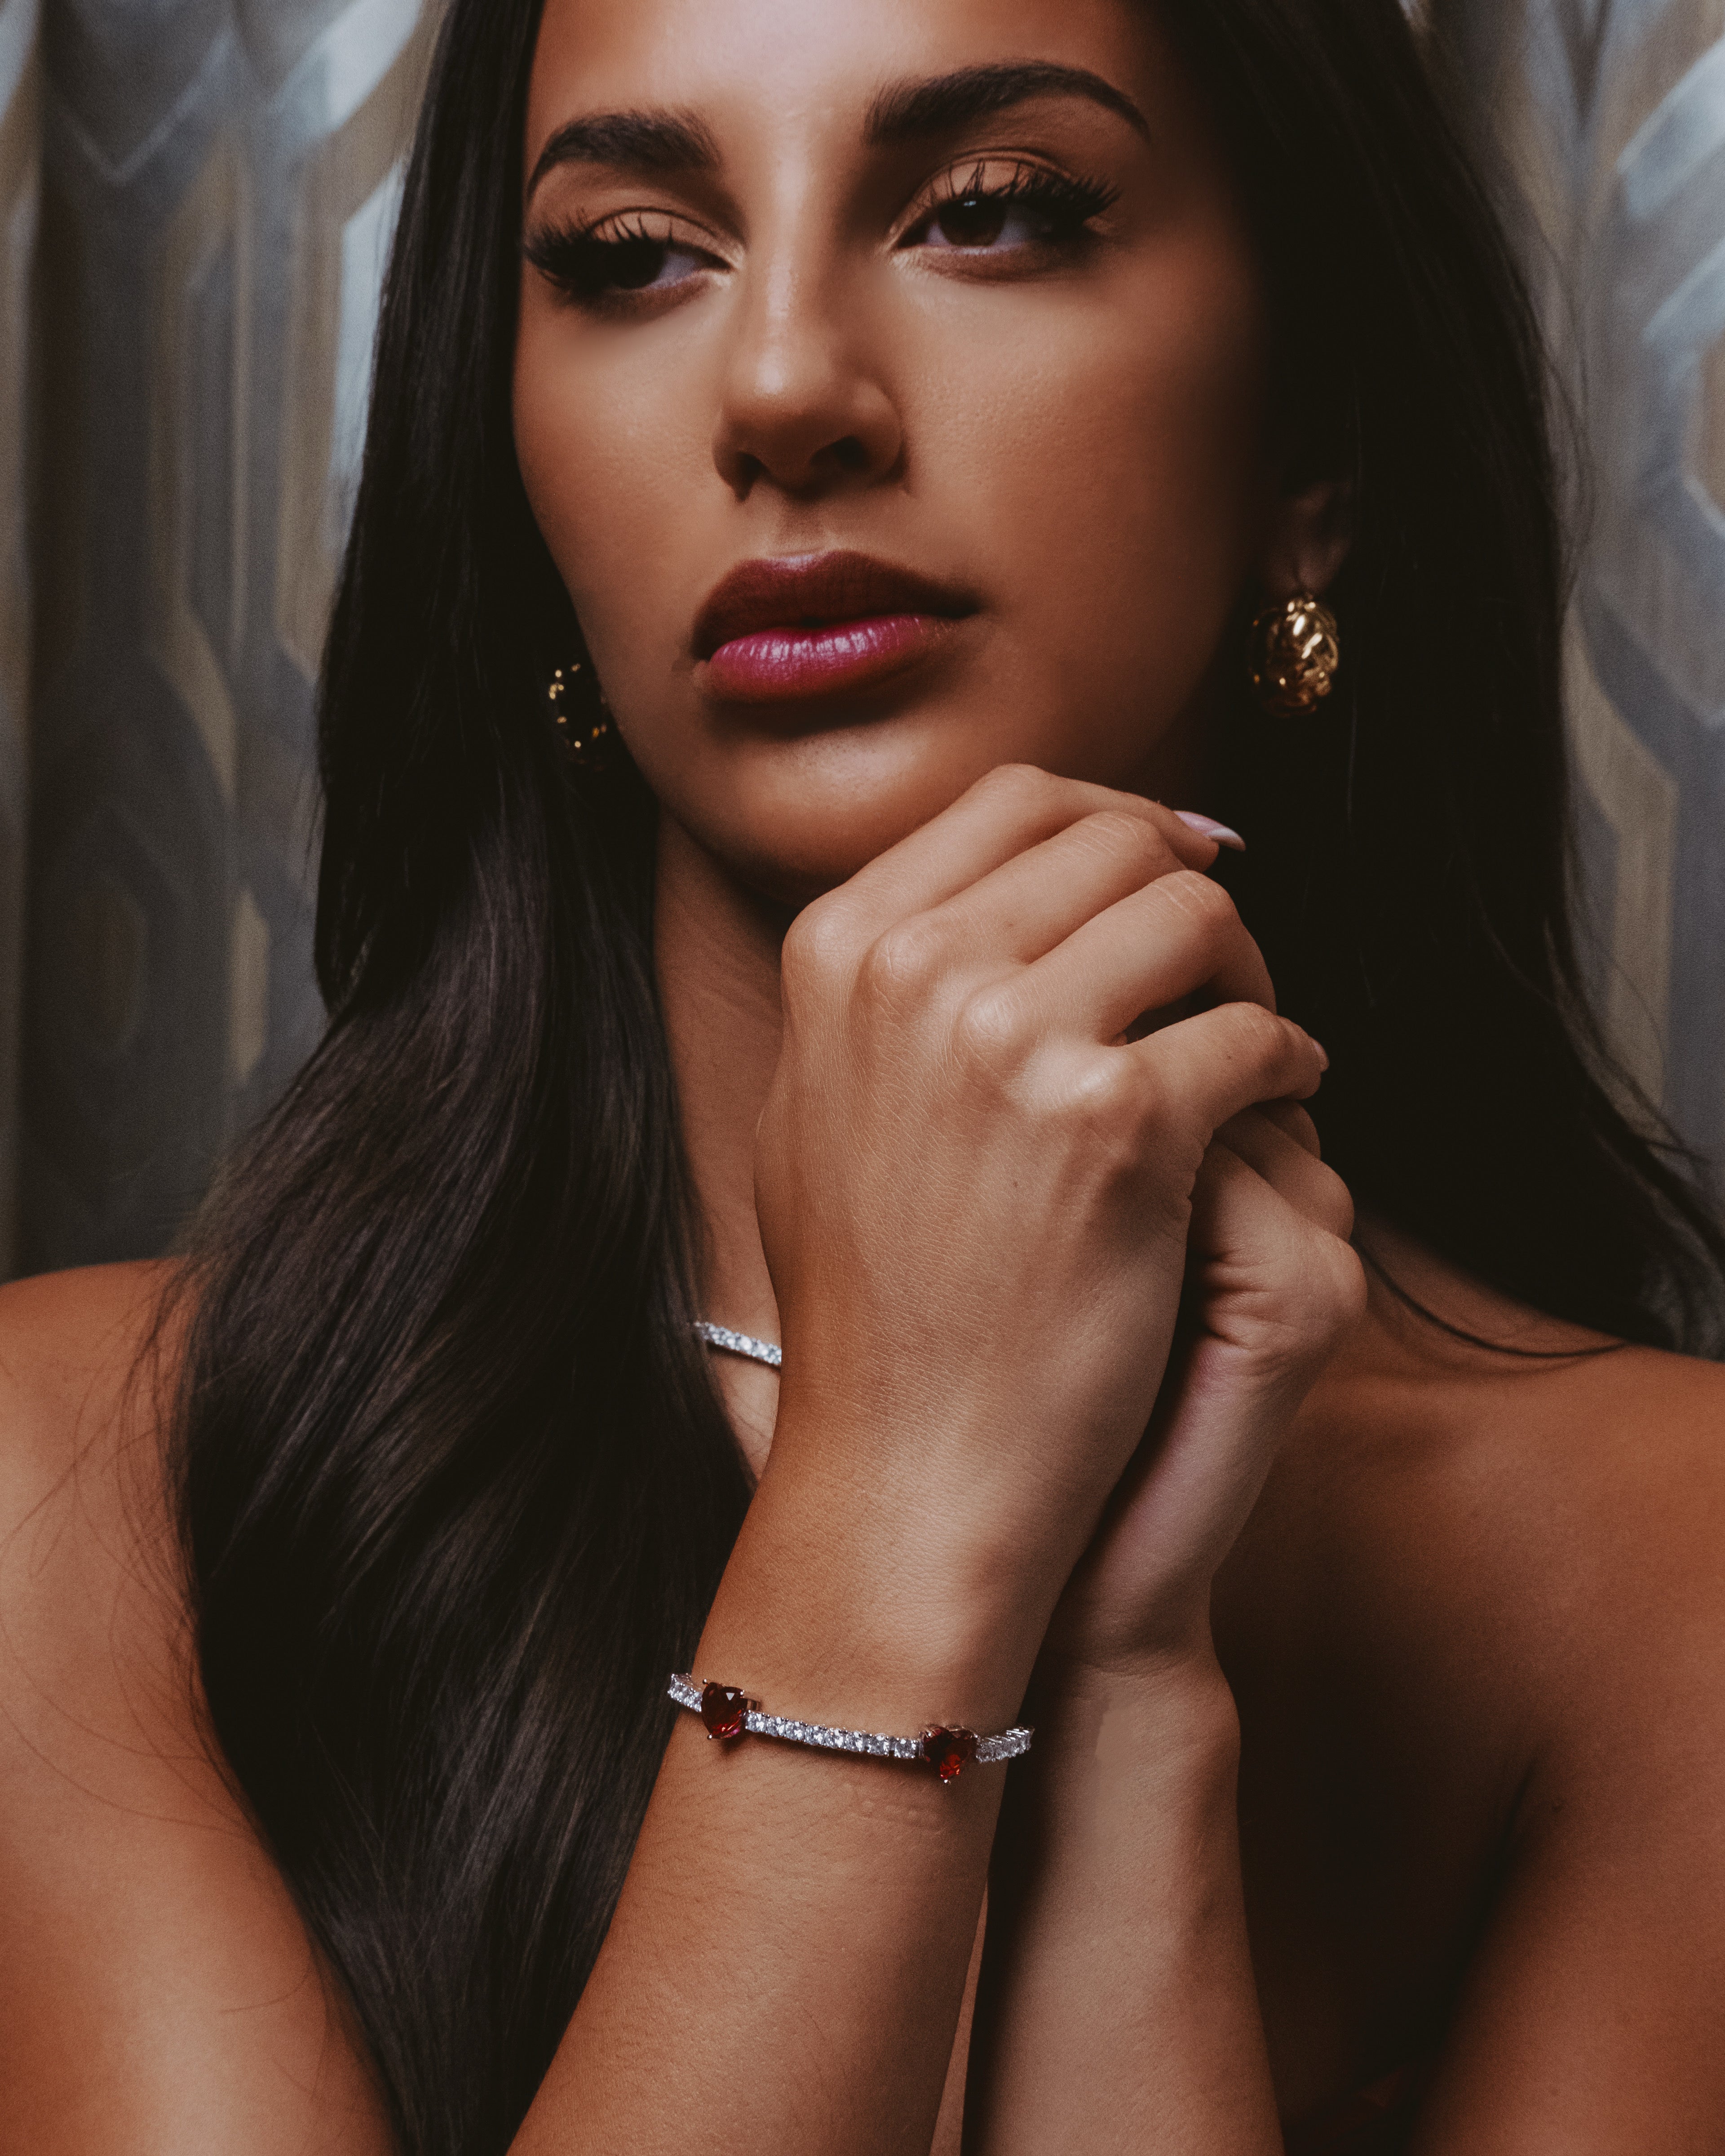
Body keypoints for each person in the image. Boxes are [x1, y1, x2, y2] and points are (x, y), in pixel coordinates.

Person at [4, 0, 1724, 2150]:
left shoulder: (1664, 1571)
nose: (783, 389)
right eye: (634, 253)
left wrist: (1126, 1700)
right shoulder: (75, 1498)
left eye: (990, 212)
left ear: (1319, 447)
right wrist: (900, 1510)